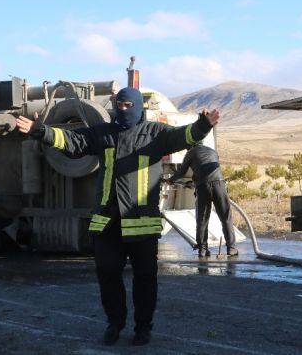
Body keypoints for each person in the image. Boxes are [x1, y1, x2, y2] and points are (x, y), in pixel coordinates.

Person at [15, 87, 219, 346]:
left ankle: (143, 327)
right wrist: (40, 131)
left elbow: (185, 137)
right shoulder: (103, 133)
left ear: (137, 107)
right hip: (108, 223)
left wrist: (203, 125)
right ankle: (115, 323)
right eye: (118, 106)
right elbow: (72, 142)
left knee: (145, 279)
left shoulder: (155, 134)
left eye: (127, 106)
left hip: (142, 225)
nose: (122, 111)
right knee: (108, 275)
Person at [168, 143, 237, 258]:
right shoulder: (212, 151)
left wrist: (171, 180)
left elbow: (182, 172)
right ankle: (231, 248)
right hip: (219, 184)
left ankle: (203, 250)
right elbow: (208, 169)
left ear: (189, 146)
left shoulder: (191, 153)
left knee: (202, 219)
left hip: (203, 186)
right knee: (225, 217)